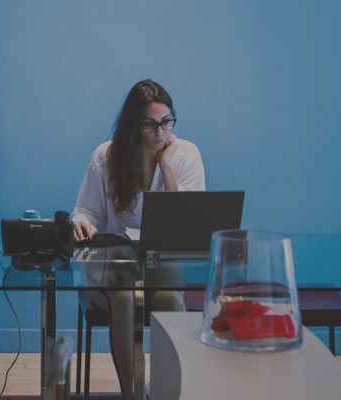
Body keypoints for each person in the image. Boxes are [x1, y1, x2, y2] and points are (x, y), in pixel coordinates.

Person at [71, 79, 204, 399]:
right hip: (114, 267)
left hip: (161, 267)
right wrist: (80, 223)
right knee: (124, 294)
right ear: (133, 125)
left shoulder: (186, 154)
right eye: (150, 125)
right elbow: (85, 211)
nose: (161, 132)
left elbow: (188, 222)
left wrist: (166, 166)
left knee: (169, 300)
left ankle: (166, 392)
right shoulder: (107, 156)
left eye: (166, 122)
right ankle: (132, 394)